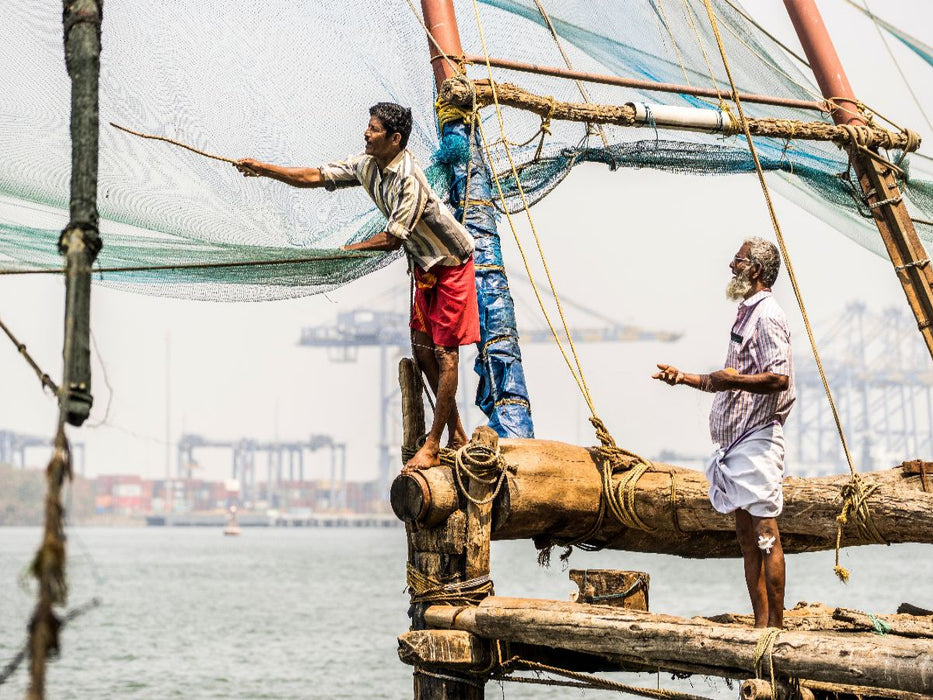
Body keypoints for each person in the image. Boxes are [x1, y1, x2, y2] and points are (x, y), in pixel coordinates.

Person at [235, 102, 479, 473]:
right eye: (368, 127)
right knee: (422, 350)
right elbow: (314, 176)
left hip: (449, 264)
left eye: (374, 130)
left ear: (394, 139)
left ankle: (432, 445)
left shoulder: (409, 180)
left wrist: (346, 251)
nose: (366, 134)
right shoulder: (368, 165)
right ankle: (457, 433)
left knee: (446, 354)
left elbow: (393, 239)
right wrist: (262, 169)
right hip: (424, 267)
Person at [652, 237, 795, 629]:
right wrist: (683, 378)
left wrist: (734, 380)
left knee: (766, 536)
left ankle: (776, 632)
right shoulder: (746, 314)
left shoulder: (767, 315)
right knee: (747, 542)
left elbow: (779, 377)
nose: (731, 266)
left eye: (738, 260)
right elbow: (725, 379)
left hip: (758, 439)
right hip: (734, 444)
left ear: (756, 271)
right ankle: (760, 625)